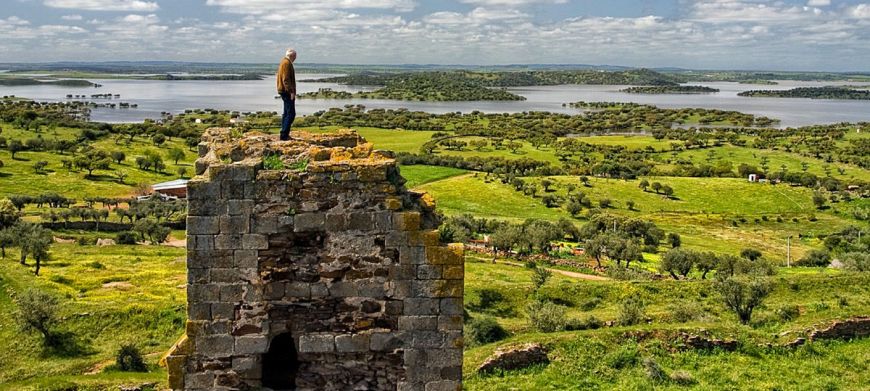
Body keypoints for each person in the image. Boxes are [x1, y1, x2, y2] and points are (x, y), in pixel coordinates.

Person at [276, 48, 297, 141]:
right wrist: (291, 92)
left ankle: (284, 133)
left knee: (286, 113)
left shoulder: (284, 62)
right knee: (291, 113)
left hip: (284, 90)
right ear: (292, 56)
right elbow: (286, 80)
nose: (295, 58)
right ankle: (284, 134)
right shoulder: (286, 63)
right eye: (295, 56)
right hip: (286, 91)